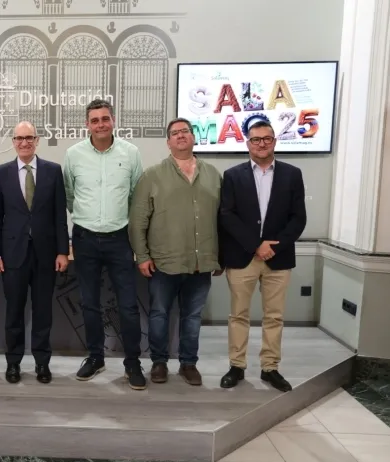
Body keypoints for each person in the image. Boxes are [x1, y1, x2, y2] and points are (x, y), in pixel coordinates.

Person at [129, 118, 223, 387]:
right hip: (164, 262)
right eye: (175, 133)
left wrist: (220, 257)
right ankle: (159, 362)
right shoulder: (152, 176)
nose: (181, 135)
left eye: (185, 131)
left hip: (201, 262)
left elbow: (222, 219)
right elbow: (138, 220)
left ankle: (188, 363)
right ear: (168, 142)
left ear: (194, 137)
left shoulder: (213, 175)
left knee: (192, 317)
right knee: (159, 314)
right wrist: (142, 256)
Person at [62, 98, 147, 390]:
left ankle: (132, 363)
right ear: (87, 125)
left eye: (105, 119)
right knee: (89, 303)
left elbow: (136, 196)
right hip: (85, 238)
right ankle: (95, 357)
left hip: (120, 238)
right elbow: (70, 196)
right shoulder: (73, 155)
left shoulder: (131, 153)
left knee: (128, 305)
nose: (101, 124)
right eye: (95, 120)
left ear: (113, 121)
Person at [219, 120, 307, 392]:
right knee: (238, 315)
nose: (261, 144)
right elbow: (227, 215)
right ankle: (237, 365)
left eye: (267, 138)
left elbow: (298, 218)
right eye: (256, 139)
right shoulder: (233, 175)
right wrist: (256, 245)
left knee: (274, 316)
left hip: (278, 258)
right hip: (243, 256)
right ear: (248, 143)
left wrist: (273, 247)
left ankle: (270, 368)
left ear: (274, 141)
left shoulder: (292, 174)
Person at [0, 121, 69, 384]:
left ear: (37, 140)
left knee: (43, 312)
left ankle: (42, 363)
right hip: (12, 255)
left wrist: (62, 251)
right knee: (14, 312)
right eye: (19, 138)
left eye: (29, 137)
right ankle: (13, 363)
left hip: (46, 255)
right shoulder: (1, 173)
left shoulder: (53, 171)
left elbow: (59, 215)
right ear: (13, 142)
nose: (24, 142)